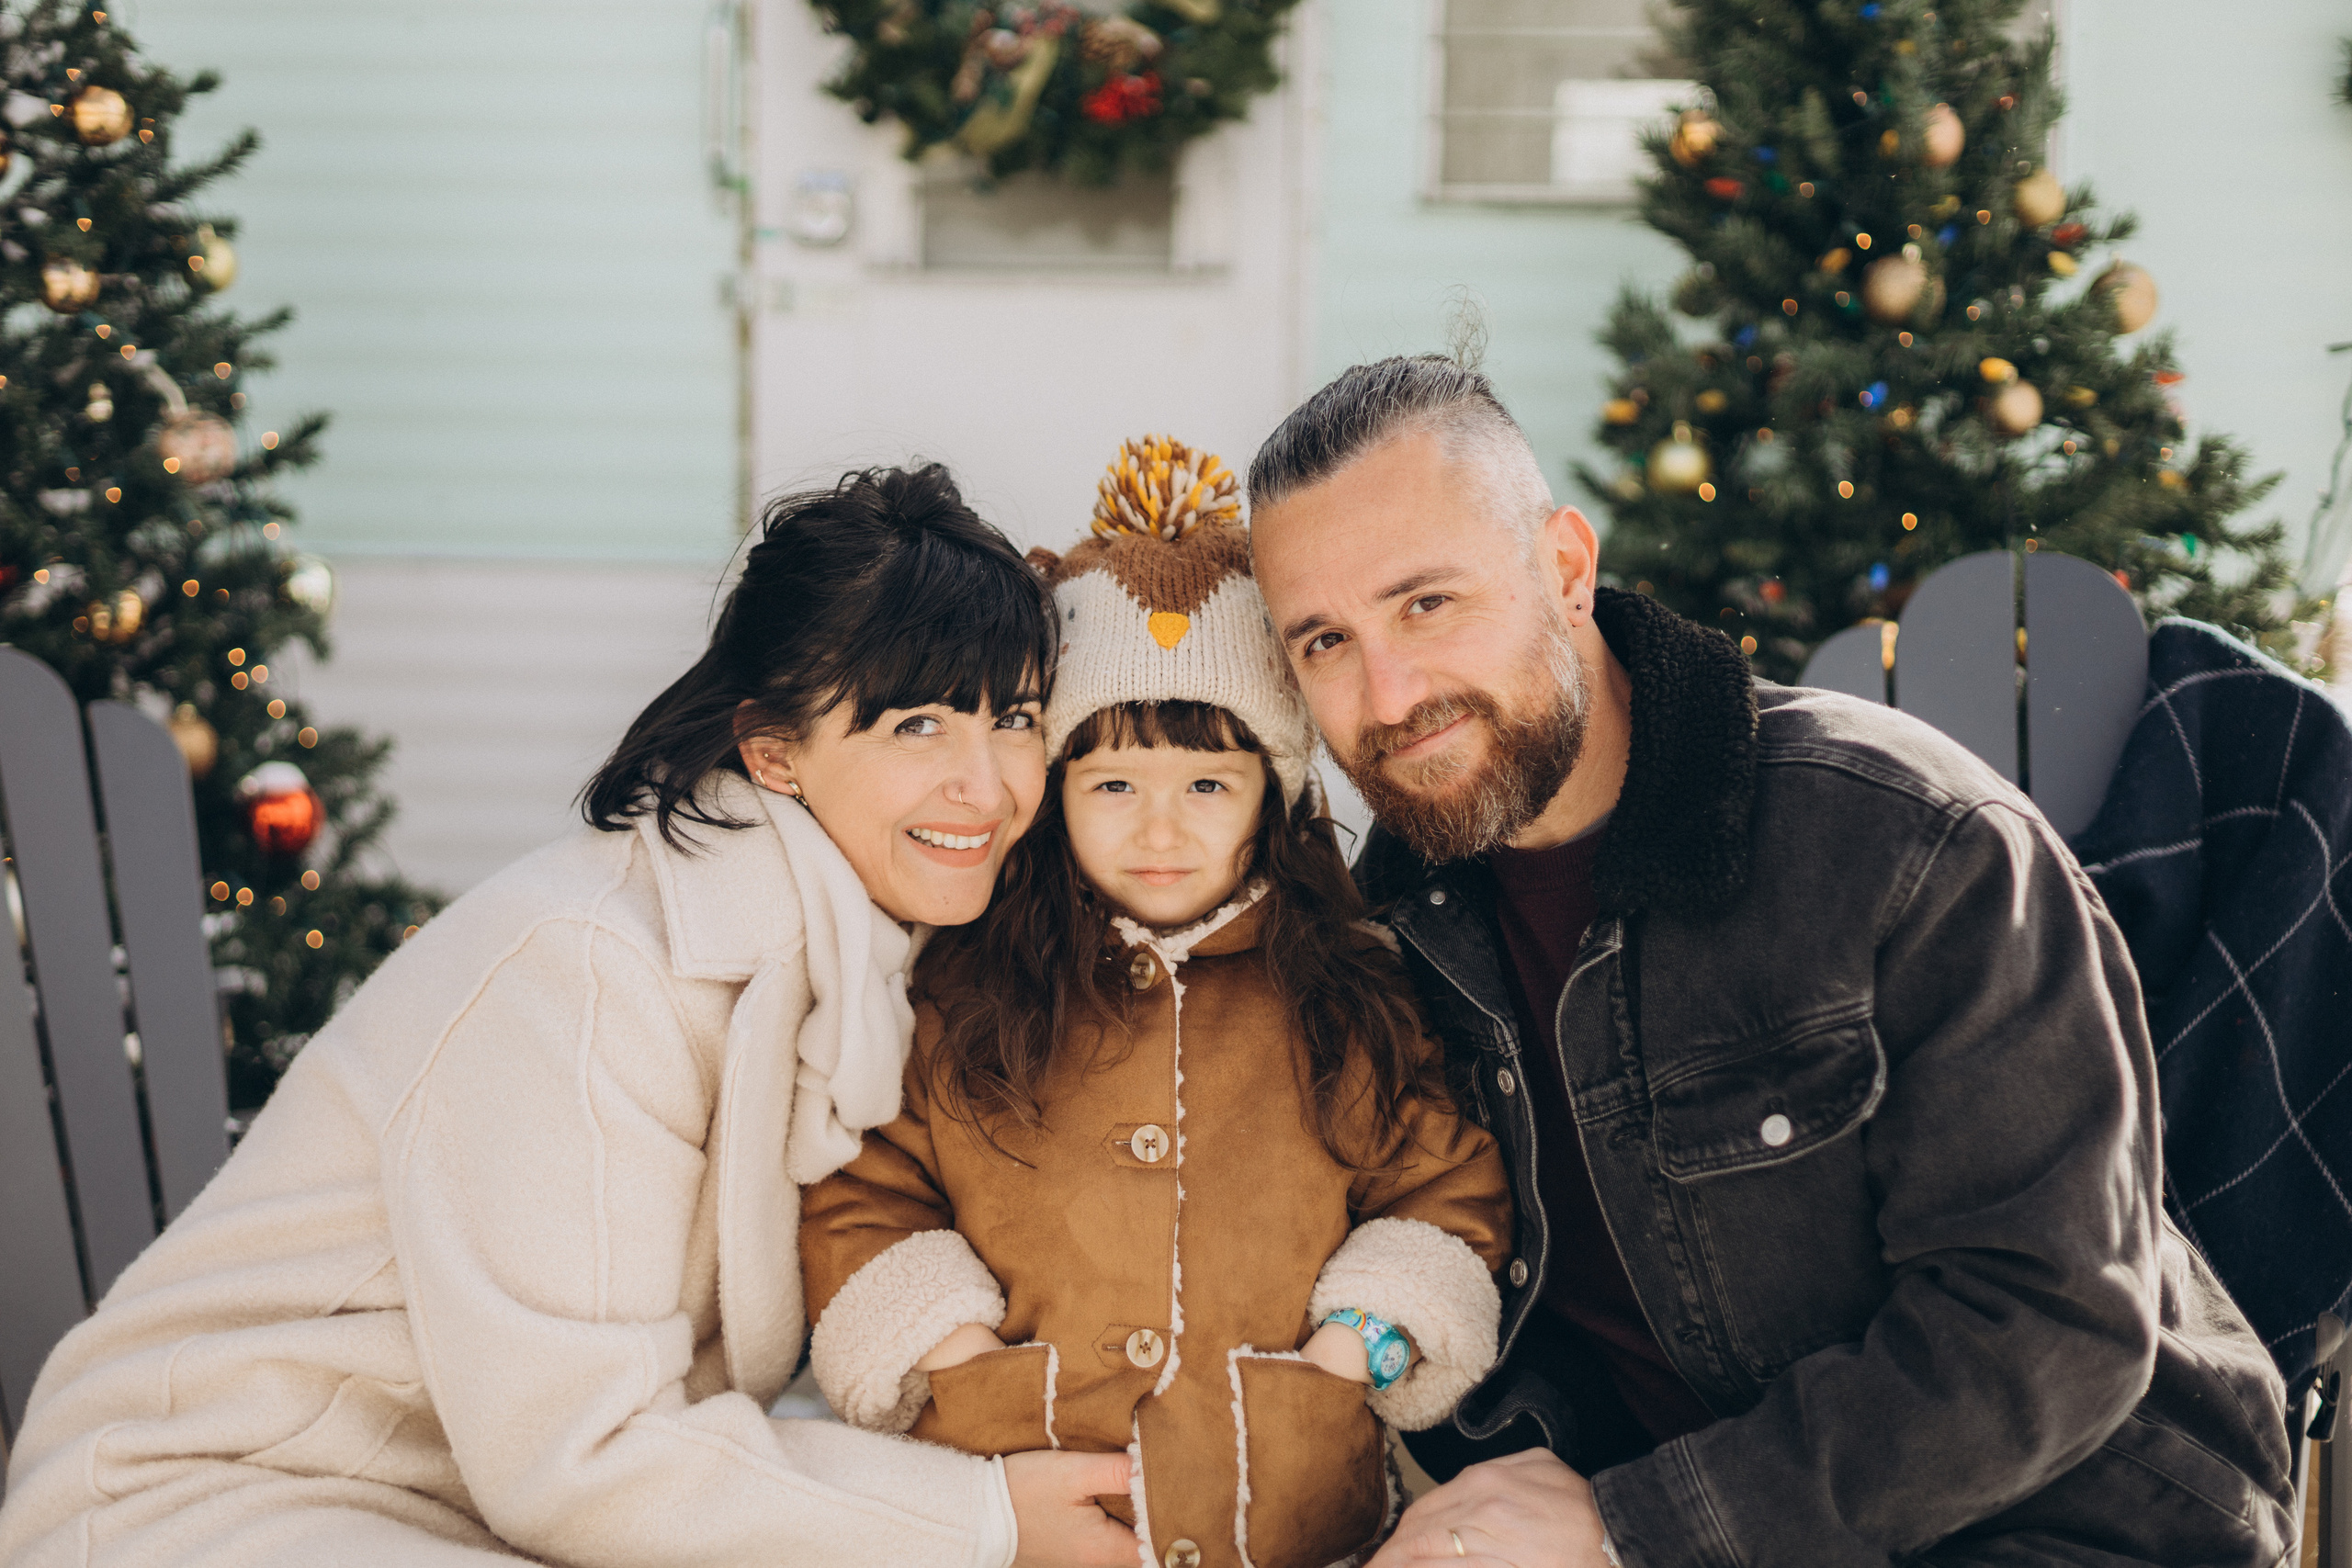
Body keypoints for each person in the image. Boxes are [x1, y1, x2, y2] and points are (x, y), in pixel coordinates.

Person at [1241, 358, 2296, 1568]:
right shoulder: (1393, 931)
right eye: (1325, 640)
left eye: (1427, 603)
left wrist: (1630, 1524)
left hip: (2076, 1523)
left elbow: (2048, 1323)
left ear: (1566, 569)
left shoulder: (1911, 842)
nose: (1389, 694)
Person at [0, 466, 1138, 1568]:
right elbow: (581, 1458)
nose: (987, 785)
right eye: (917, 726)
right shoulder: (593, 972)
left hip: (471, 1513)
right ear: (774, 753)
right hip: (213, 1500)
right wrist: (978, 1520)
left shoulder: (870, 972)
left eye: (1014, 718)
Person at [798, 437, 1513, 1568]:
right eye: (1114, 783)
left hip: (1286, 1520)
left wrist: (1347, 1355)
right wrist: (957, 1353)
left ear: (1272, 796)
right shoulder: (966, 991)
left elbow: (1441, 1189)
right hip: (1023, 1513)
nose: (1161, 829)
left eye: (1209, 784)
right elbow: (865, 1193)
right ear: (1056, 791)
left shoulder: (1344, 993)